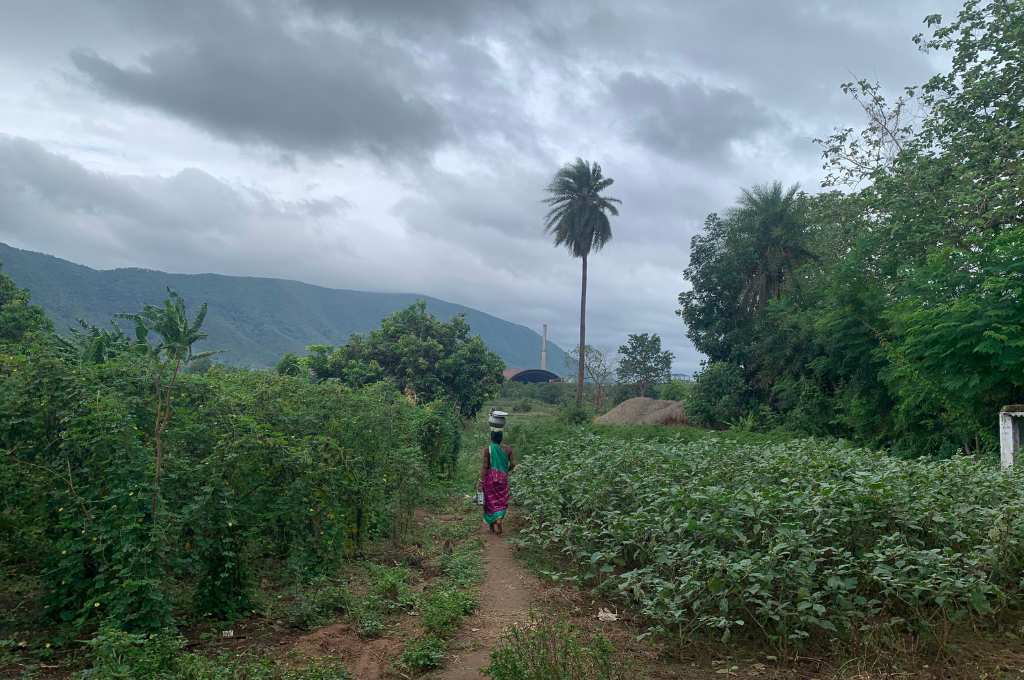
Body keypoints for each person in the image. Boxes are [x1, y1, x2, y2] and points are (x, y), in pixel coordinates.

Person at [479, 428, 515, 535]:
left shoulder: (488, 449)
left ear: (491, 438)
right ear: (501, 438)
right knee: (501, 500)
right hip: (502, 479)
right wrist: (505, 471)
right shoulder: (508, 449)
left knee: (490, 501)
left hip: (490, 479)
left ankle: (492, 524)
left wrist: (481, 481)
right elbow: (513, 464)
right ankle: (499, 519)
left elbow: (485, 466)